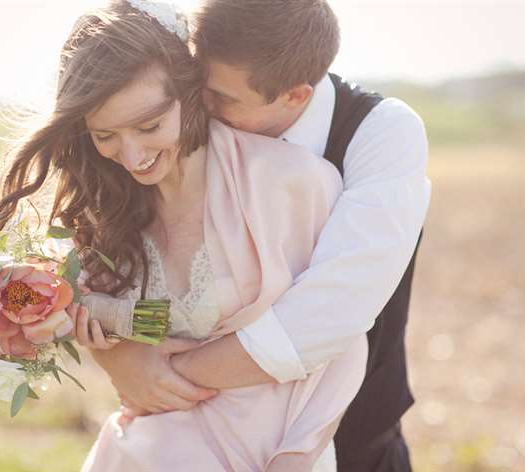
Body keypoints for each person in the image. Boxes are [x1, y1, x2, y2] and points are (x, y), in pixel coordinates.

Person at [0, 1, 368, 471]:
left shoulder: (294, 182)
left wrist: (297, 454)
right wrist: (105, 345)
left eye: (149, 125)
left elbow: (338, 336)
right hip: (148, 452)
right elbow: (112, 320)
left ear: (191, 92)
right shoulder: (106, 210)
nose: (132, 154)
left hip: (271, 454)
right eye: (105, 135)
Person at [95, 1, 431, 471]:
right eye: (201, 88)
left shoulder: (381, 133)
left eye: (224, 98)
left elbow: (333, 309)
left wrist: (167, 374)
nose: (205, 108)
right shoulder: (185, 134)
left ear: (296, 96)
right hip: (188, 445)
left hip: (347, 435)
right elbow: (138, 267)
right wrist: (121, 355)